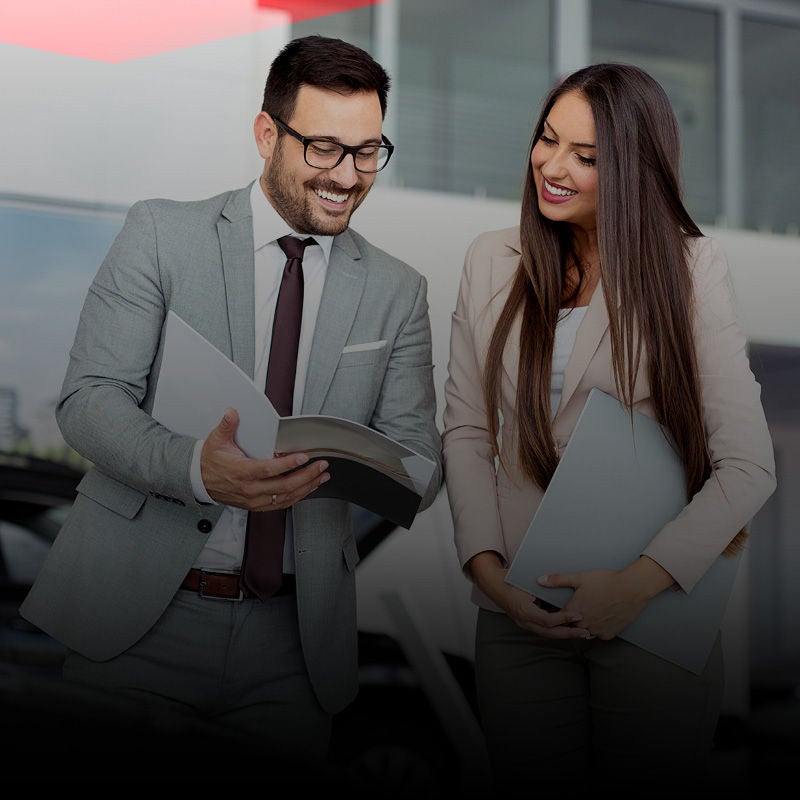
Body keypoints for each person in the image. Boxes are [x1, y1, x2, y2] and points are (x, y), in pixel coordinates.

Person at [21, 34, 441, 778]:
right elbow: (89, 400)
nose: (348, 177)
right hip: (140, 618)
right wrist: (194, 468)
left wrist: (370, 470)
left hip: (296, 643)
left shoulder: (398, 290)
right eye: (324, 149)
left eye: (369, 151)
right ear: (266, 135)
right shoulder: (161, 234)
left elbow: (418, 456)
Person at [442, 63, 776, 793]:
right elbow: (467, 431)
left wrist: (637, 585)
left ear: (633, 167)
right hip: (519, 615)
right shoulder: (490, 260)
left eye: (586, 158)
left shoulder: (689, 268)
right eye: (547, 140)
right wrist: (489, 574)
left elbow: (749, 465)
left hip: (650, 614)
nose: (552, 168)